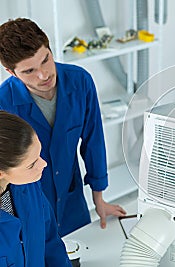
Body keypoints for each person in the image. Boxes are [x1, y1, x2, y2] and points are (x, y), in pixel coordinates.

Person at [0, 18, 126, 237]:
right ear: (11, 72)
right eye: (29, 71)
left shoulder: (80, 81)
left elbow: (93, 141)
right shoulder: (3, 102)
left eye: (46, 60)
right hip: (28, 204)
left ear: (50, 49)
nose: (43, 75)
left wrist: (99, 200)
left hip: (71, 198)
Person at [0, 111, 71, 266]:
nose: (43, 164)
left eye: (38, 155)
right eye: (31, 164)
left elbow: (51, 242)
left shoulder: (29, 185)